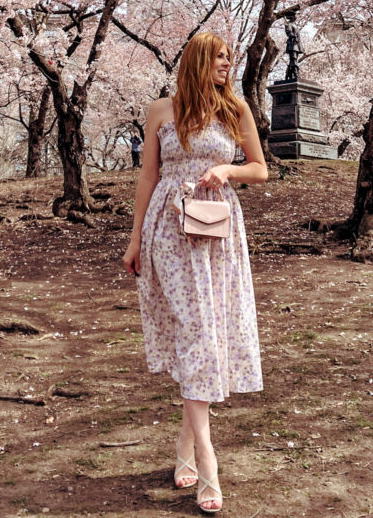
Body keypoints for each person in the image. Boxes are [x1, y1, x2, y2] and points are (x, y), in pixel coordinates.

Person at [122, 32, 267, 514]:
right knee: (194, 331)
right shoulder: (161, 110)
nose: (226, 65)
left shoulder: (236, 108)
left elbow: (261, 169)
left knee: (210, 333)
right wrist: (135, 236)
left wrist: (228, 172)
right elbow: (148, 175)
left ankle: (184, 447)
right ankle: (207, 459)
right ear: (197, 61)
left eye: (230, 58)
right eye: (219, 57)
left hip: (219, 230)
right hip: (168, 228)